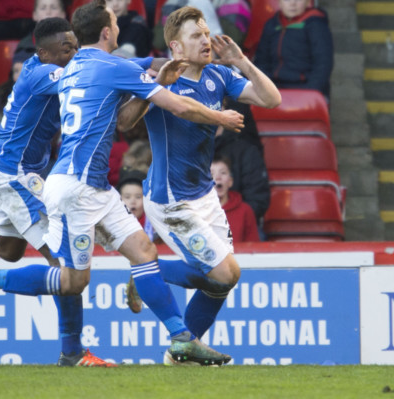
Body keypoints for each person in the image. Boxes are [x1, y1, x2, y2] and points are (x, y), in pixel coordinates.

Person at [0, 0, 245, 367]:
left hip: (93, 185)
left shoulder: (74, 66)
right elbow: (178, 106)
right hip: (74, 189)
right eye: (114, 21)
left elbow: (128, 91)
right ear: (108, 31)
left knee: (143, 250)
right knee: (73, 281)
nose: (119, 25)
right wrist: (218, 114)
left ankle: (181, 339)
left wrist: (156, 70)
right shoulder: (108, 65)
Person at [0, 17, 117, 367]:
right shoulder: (40, 74)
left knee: (10, 249)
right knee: (64, 266)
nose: (74, 54)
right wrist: (143, 68)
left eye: (76, 47)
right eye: (67, 49)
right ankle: (72, 351)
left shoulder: (44, 68)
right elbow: (90, 77)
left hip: (6, 171)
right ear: (44, 52)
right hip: (14, 175)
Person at [118, 6, 280, 364]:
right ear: (176, 47)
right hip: (171, 199)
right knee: (225, 271)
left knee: (222, 283)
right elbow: (126, 121)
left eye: (206, 34)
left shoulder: (220, 76)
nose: (206, 41)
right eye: (196, 36)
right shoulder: (162, 80)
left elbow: (272, 99)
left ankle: (181, 354)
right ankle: (147, 273)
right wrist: (158, 86)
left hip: (203, 193)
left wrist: (243, 63)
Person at [254, 0, 333, 100]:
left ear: (308, 2)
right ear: (279, 2)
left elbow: (323, 64)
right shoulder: (272, 25)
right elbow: (262, 61)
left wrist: (311, 91)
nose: (292, 3)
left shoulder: (316, 24)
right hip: (274, 87)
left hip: (305, 87)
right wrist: (265, 87)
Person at [215, 100, 270, 222]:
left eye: (216, 104)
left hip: (239, 226)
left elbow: (257, 200)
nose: (210, 109)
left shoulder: (245, 150)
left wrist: (233, 220)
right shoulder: (185, 148)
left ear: (226, 109)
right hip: (197, 228)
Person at [211, 154, 259, 242]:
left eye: (223, 173)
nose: (218, 178)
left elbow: (253, 249)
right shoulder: (197, 212)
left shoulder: (245, 210)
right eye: (211, 174)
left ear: (230, 181)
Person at [118, 167, 158, 242]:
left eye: (138, 197)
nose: (133, 201)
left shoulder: (156, 226)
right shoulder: (111, 224)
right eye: (127, 197)